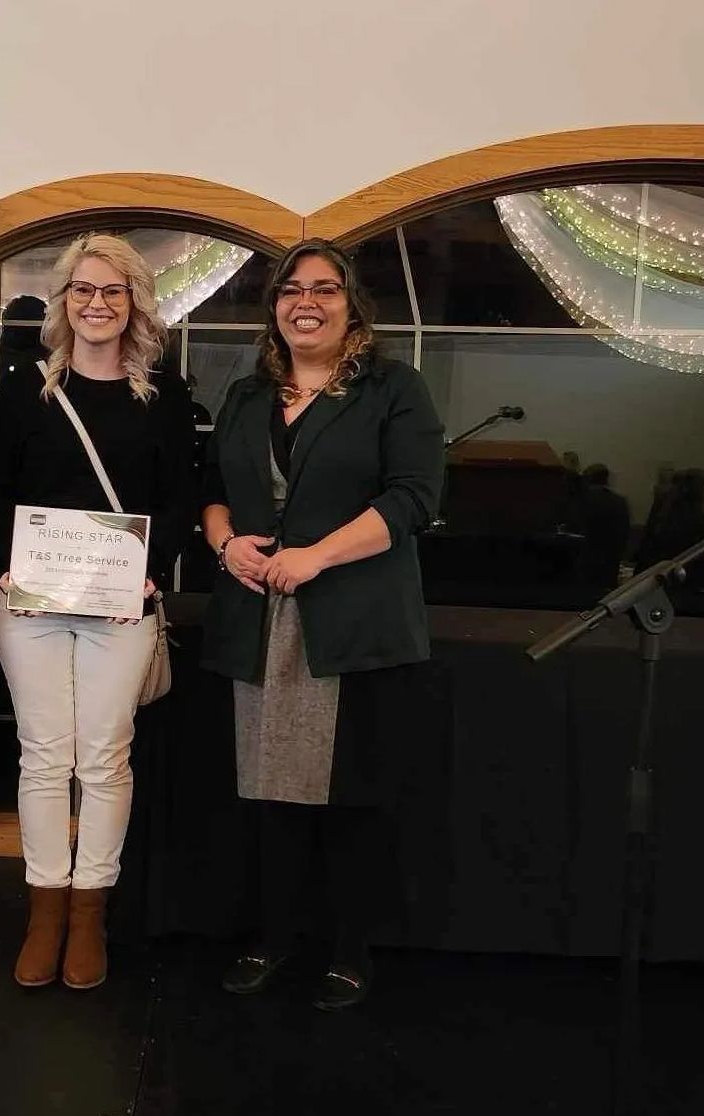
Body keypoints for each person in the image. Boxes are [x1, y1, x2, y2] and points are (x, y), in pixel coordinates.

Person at [199, 238, 444, 1011]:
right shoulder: (245, 396)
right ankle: (272, 940)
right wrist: (223, 543)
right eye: (290, 290)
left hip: (351, 622)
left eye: (324, 290)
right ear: (273, 308)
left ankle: (346, 951)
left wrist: (316, 557)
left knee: (347, 800)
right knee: (268, 794)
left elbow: (413, 499)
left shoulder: (392, 388)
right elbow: (210, 491)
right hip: (256, 619)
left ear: (351, 304)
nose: (306, 302)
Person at [0, 234, 197, 990]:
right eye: (82, 291)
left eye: (112, 291)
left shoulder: (165, 397)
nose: (95, 304)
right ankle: (44, 909)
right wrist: (12, 561)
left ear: (134, 303)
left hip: (119, 608)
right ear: (63, 301)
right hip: (30, 605)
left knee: (103, 756)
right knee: (43, 755)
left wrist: (146, 568)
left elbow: (178, 504)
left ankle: (88, 912)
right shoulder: (20, 389)